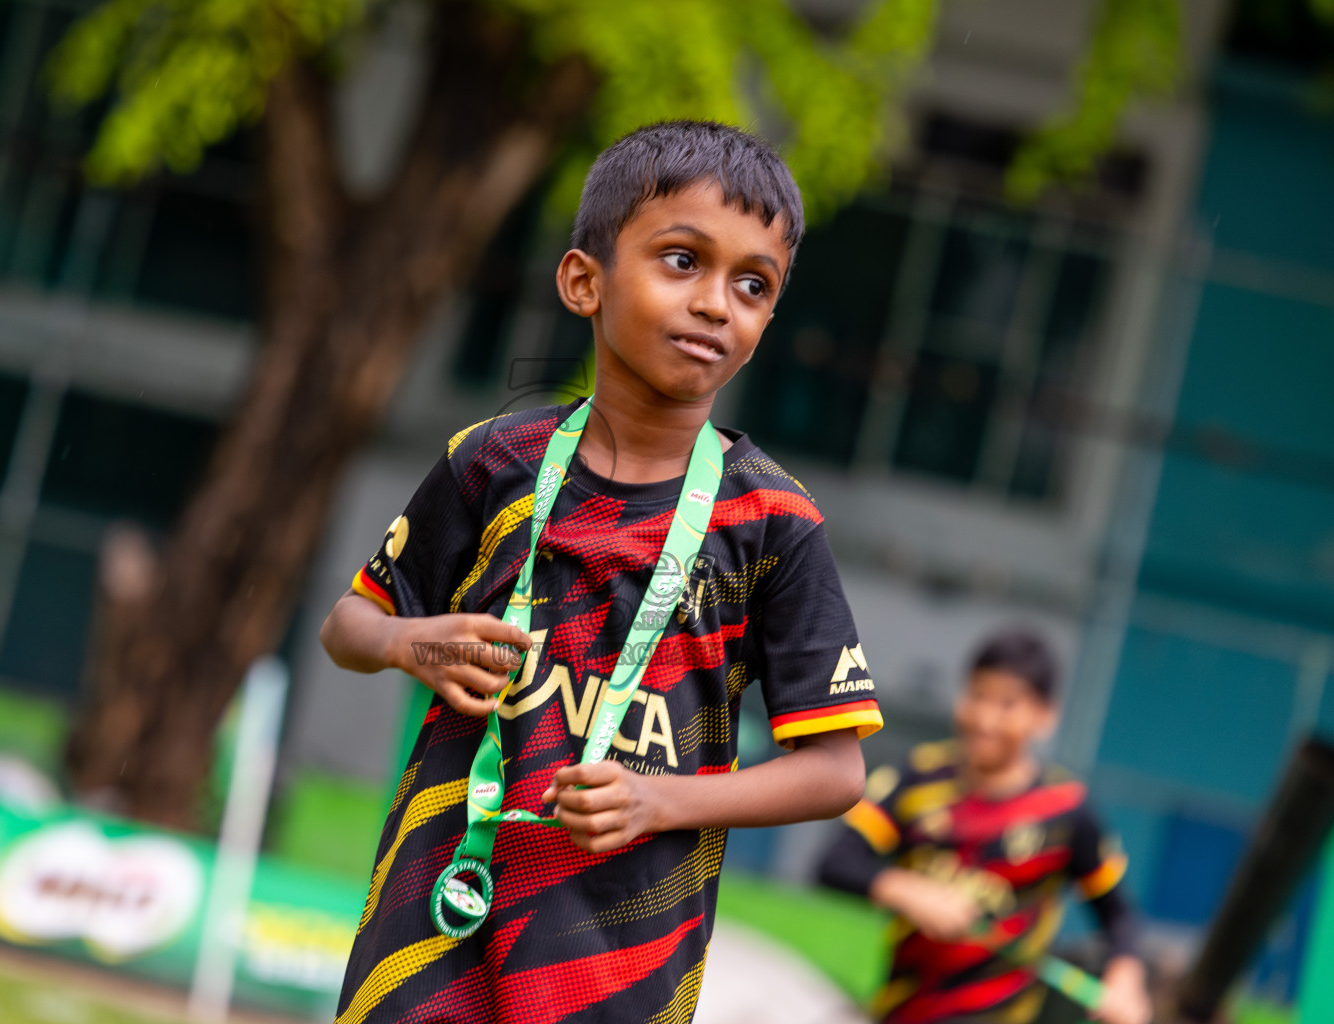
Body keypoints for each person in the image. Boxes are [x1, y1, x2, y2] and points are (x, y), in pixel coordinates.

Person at [320, 121, 880, 1024]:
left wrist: (661, 799)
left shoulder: (774, 525)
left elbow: (835, 771)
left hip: (618, 971)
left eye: (751, 285)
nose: (715, 304)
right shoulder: (490, 461)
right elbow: (347, 626)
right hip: (427, 934)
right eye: (681, 261)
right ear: (585, 281)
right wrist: (404, 641)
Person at [816, 629, 1151, 1024]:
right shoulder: (915, 777)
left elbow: (1119, 916)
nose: (985, 719)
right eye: (977, 695)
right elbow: (834, 863)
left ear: (1045, 716)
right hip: (903, 1012)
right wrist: (905, 890)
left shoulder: (1068, 810)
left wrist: (1126, 978)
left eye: (1007, 704)